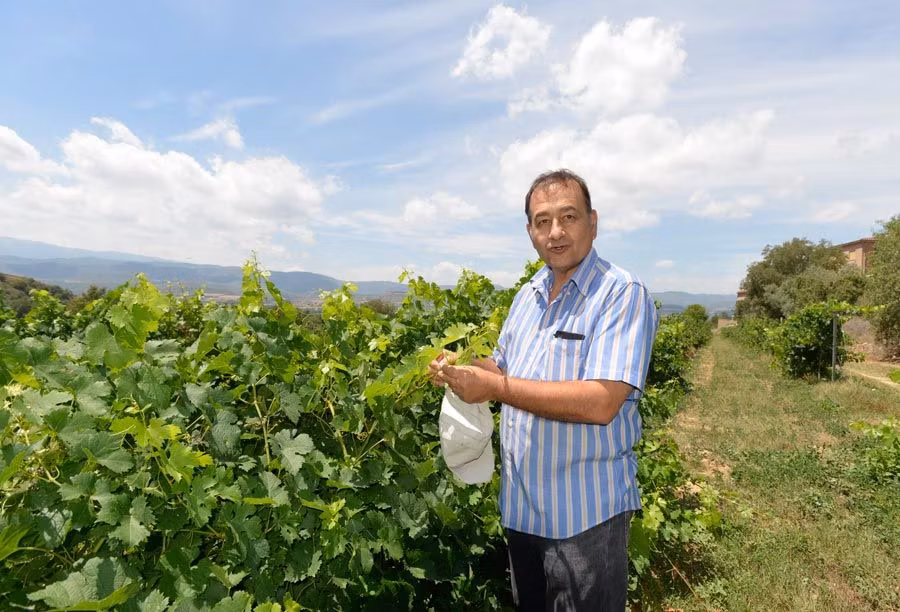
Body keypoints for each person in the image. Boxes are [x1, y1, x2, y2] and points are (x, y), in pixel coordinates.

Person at [428, 169, 659, 611]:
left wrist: (494, 386)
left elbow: (601, 402)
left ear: (593, 222)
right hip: (522, 510)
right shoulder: (527, 295)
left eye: (568, 217)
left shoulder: (620, 294)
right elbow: (503, 369)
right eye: (542, 221)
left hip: (585, 519)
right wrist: (460, 368)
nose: (555, 232)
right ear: (530, 231)